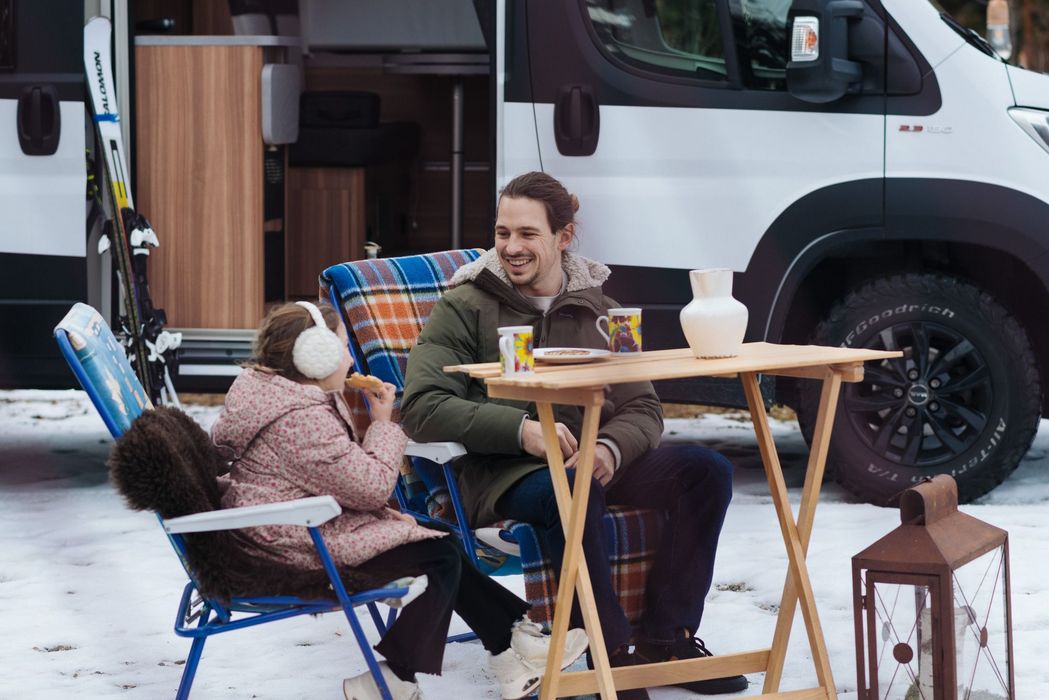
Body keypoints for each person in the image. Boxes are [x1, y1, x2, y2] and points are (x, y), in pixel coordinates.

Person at [400, 172, 749, 698]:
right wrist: (521, 431)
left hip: (591, 462)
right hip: (503, 473)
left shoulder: (605, 311)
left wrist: (611, 448)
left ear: (564, 236)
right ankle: (608, 654)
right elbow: (421, 407)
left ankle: (667, 637)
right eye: (502, 233)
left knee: (704, 471)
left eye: (527, 234)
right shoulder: (464, 305)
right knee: (575, 491)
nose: (511, 248)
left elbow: (643, 406)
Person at [211, 300, 588, 700]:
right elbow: (371, 485)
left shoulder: (276, 397)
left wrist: (393, 519)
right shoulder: (299, 417)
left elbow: (335, 478)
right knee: (438, 556)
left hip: (294, 524)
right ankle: (394, 677)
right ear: (313, 355)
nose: (351, 356)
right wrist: (382, 424)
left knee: (439, 538)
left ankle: (510, 649)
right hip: (293, 542)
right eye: (342, 345)